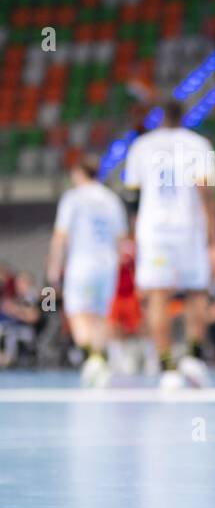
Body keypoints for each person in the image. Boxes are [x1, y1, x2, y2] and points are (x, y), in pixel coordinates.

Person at [123, 101, 215, 389]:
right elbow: (205, 191)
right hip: (189, 229)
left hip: (153, 232)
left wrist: (133, 236)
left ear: (159, 117)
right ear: (184, 117)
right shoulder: (198, 144)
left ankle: (167, 368)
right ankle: (193, 357)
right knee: (197, 292)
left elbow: (133, 199)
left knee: (158, 296)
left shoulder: (141, 146)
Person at [45, 154, 128, 387]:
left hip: (81, 262)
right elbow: (121, 239)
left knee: (77, 312)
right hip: (107, 263)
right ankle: (99, 358)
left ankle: (92, 357)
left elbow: (60, 236)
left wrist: (54, 267)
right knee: (100, 314)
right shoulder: (112, 199)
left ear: (80, 173)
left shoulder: (73, 198)